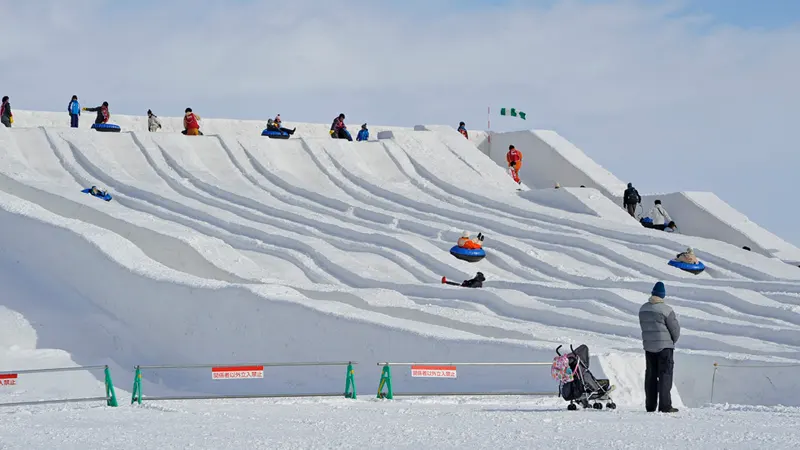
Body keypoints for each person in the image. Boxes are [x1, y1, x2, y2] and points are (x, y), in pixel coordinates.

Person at [638, 281, 680, 413]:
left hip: (649, 346)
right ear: (663, 295)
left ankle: (650, 406)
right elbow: (675, 329)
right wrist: (672, 341)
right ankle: (665, 406)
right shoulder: (666, 310)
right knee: (665, 375)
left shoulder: (643, 309)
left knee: (650, 375)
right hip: (664, 347)